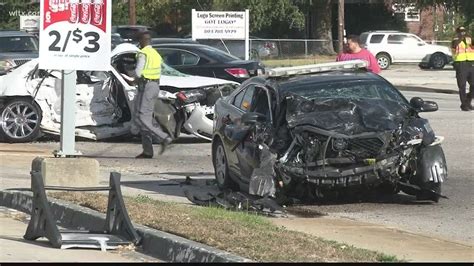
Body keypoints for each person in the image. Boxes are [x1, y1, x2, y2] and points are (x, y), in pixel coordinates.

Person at [124, 31, 173, 158]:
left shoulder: (143, 54)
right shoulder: (155, 54)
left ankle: (164, 137)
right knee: (144, 118)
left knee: (141, 118)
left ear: (142, 41)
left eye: (139, 41)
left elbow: (138, 73)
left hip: (146, 87)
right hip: (154, 86)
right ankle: (147, 151)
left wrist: (130, 74)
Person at [452, 26, 474, 111]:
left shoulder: (469, 39)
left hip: (471, 64)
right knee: (462, 86)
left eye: (464, 31)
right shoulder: (455, 40)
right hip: (461, 64)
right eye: (461, 31)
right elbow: (454, 46)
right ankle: (464, 105)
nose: (463, 33)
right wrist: (461, 38)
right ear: (457, 32)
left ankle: (468, 101)